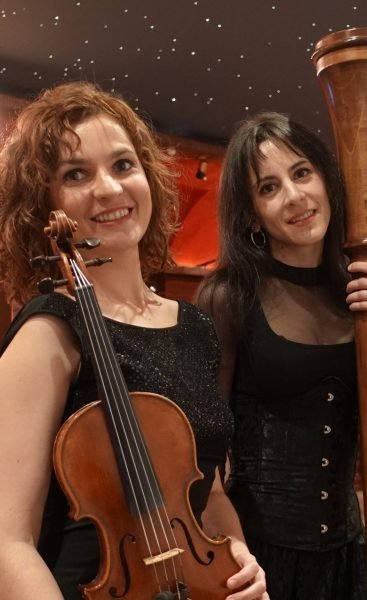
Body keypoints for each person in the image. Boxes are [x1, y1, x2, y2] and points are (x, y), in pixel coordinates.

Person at [0, 81, 267, 600]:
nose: (108, 188)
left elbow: (205, 491)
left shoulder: (194, 327)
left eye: (123, 165)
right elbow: (8, 542)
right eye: (75, 174)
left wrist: (239, 556)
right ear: (44, 204)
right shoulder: (48, 333)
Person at [196, 112, 367, 599]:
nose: (295, 197)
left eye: (302, 173)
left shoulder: (364, 293)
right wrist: (227, 550)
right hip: (257, 557)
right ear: (251, 213)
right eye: (269, 188)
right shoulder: (227, 297)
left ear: (325, 178)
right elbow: (204, 451)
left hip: (349, 555)